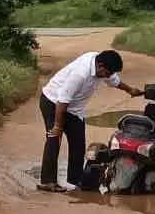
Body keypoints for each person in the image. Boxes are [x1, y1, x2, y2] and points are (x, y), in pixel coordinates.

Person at [37, 49, 142, 193]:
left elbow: (114, 81)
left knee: (78, 142)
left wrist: (130, 90)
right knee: (54, 138)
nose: (109, 76)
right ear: (100, 66)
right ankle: (48, 182)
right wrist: (57, 126)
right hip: (53, 102)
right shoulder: (80, 74)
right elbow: (62, 101)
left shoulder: (102, 65)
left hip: (74, 108)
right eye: (108, 73)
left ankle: (76, 179)